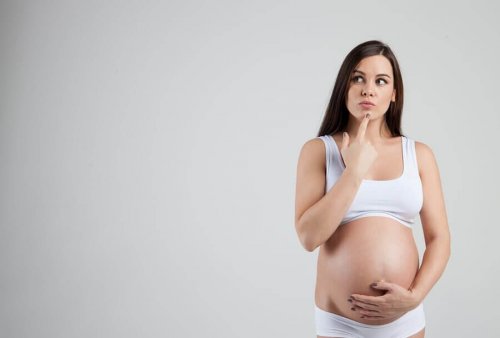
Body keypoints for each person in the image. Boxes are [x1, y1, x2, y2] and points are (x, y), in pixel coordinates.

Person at [294, 40, 451, 338]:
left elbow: (439, 238)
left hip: (405, 319)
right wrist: (354, 171)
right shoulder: (319, 151)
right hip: (339, 323)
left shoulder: (419, 154)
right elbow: (309, 237)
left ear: (393, 95)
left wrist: (415, 296)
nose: (368, 89)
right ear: (345, 88)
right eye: (358, 78)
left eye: (381, 81)